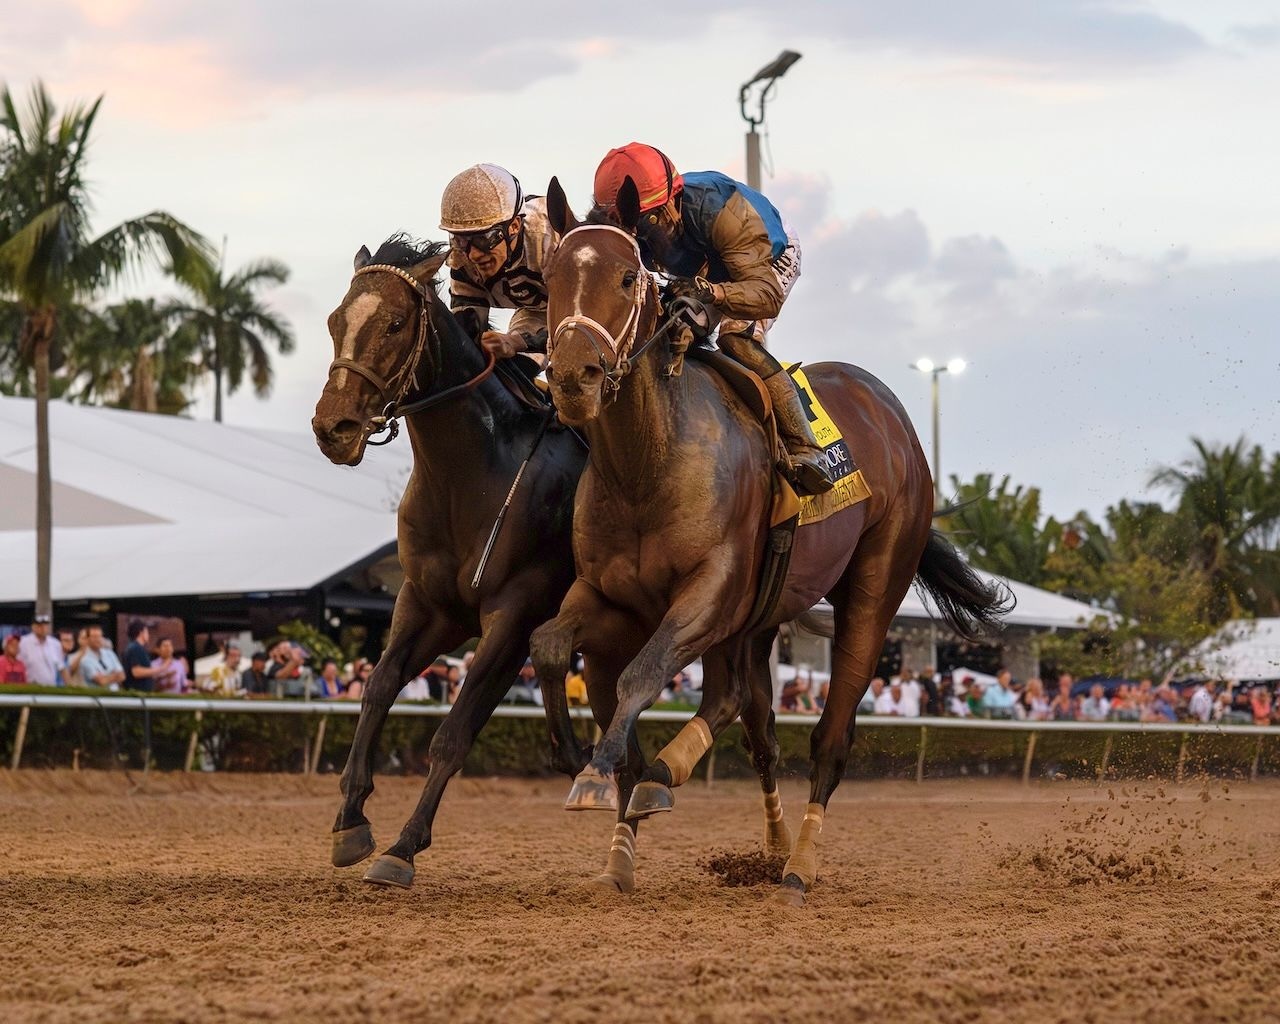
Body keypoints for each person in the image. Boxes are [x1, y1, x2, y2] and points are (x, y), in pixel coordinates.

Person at [592, 142, 832, 495]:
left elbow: (766, 296)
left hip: (763, 262)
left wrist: (714, 293)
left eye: (644, 222)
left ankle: (806, 448)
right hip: (706, 265)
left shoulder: (720, 212)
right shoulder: (641, 225)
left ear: (670, 203)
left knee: (736, 340)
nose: (640, 235)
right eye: (628, 225)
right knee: (668, 334)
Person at [439, 163, 555, 366]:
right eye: (461, 240)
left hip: (587, 310)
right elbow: (467, 336)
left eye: (484, 238)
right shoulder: (460, 256)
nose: (473, 254)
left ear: (515, 226)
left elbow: (583, 319)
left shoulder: (549, 241)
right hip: (533, 310)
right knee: (519, 364)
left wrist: (517, 341)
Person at [121, 621, 170, 693]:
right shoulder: (135, 648)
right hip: (138, 694)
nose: (148, 635)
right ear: (141, 633)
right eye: (147, 632)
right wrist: (161, 668)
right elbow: (136, 672)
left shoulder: (138, 648)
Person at [18, 613, 64, 687]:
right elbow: (18, 665)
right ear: (33, 627)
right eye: (39, 625)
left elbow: (62, 668)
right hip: (30, 688)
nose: (43, 628)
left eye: (45, 625)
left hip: (50, 689)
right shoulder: (23, 642)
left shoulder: (55, 644)